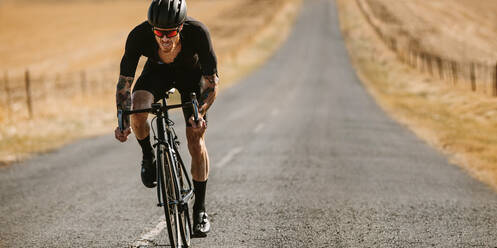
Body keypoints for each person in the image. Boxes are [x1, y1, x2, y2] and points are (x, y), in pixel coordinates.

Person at [114, 0, 218, 238]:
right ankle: (148, 156)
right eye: (159, 33)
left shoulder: (198, 33)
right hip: (156, 74)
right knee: (138, 112)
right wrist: (122, 120)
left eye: (170, 32)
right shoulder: (139, 35)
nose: (164, 38)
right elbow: (125, 84)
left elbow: (211, 82)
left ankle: (199, 210)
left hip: (191, 77)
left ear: (181, 27)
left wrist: (199, 113)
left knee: (195, 139)